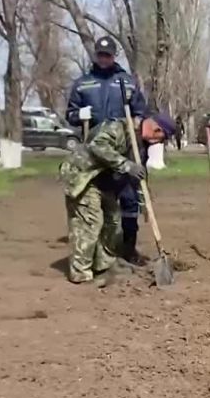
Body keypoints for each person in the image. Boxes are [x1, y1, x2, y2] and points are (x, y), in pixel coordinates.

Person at [58, 113, 176, 286]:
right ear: (156, 130)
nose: (159, 143)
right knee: (90, 222)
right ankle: (81, 274)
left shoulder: (141, 146)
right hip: (83, 176)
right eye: (161, 138)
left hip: (105, 183)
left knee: (113, 222)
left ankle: (104, 266)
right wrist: (126, 165)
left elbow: (140, 176)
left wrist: (145, 202)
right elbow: (98, 146)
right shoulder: (119, 128)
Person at [64, 36, 148, 263]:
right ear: (95, 56)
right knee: (102, 202)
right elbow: (70, 115)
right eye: (100, 55)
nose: (103, 59)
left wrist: (138, 139)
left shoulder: (127, 82)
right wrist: (79, 115)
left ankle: (129, 249)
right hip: (95, 154)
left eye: (107, 55)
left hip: (123, 149)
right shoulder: (83, 83)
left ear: (114, 56)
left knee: (129, 200)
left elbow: (141, 112)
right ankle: (105, 252)